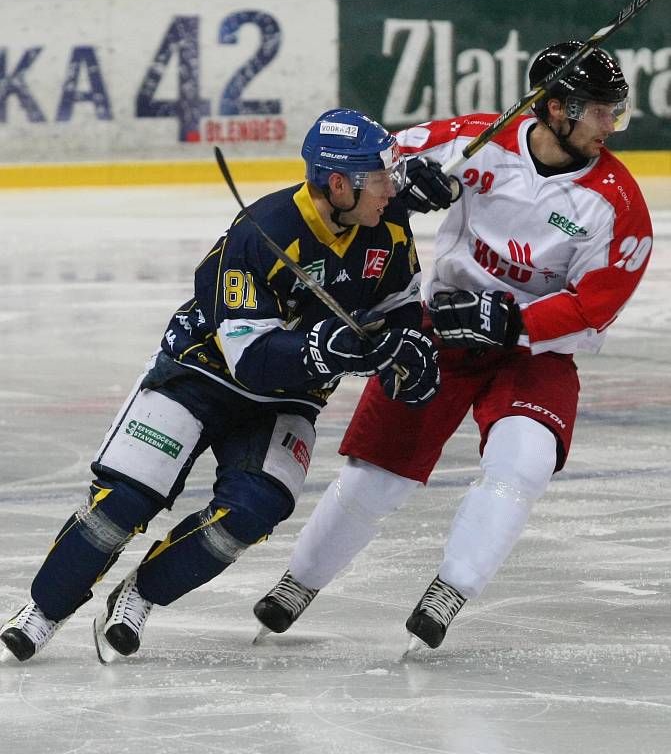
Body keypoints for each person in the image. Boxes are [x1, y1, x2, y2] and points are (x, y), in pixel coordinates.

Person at [0, 109, 442, 664]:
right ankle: (44, 609)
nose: (391, 189)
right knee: (124, 501)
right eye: (380, 177)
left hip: (288, 399)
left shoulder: (387, 228)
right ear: (338, 184)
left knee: (254, 509)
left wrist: (407, 349)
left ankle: (140, 594)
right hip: (200, 373)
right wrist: (326, 347)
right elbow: (251, 359)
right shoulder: (261, 233)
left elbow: (398, 307)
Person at [252, 41, 654, 650]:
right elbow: (371, 167)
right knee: (375, 477)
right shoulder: (477, 141)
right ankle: (297, 584)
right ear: (552, 109)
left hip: (534, 354)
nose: (610, 126)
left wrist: (511, 324)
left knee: (524, 462)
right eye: (599, 111)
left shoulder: (618, 207)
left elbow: (593, 309)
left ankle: (449, 590)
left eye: (614, 112)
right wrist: (407, 180)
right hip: (437, 333)